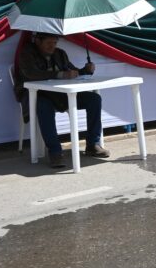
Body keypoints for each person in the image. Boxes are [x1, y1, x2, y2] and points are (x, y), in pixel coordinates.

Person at [14, 33, 109, 168]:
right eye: (48, 43)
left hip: (61, 95)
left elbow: (73, 71)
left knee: (94, 99)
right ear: (37, 41)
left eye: (54, 43)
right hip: (39, 96)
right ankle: (55, 152)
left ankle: (92, 144)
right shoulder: (27, 53)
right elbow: (31, 74)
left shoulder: (60, 54)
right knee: (43, 106)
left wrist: (85, 70)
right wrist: (60, 74)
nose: (52, 46)